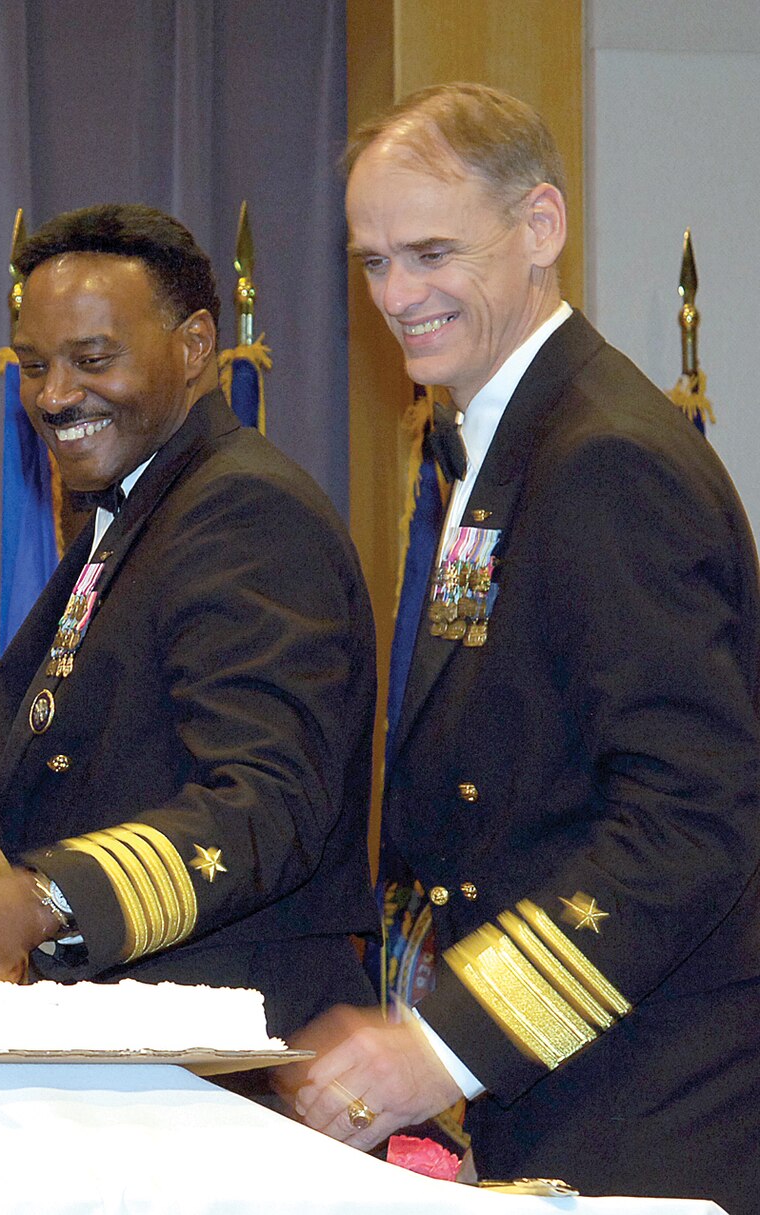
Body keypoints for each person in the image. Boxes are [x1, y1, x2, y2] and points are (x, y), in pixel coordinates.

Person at [283, 84, 760, 1209]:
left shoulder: (602, 459)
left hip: (648, 1095)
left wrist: (440, 1044)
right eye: (371, 262)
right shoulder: (500, 443)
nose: (397, 295)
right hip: (554, 1072)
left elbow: (689, 818)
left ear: (538, 228)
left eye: (430, 252)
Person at [0, 205, 377, 1045]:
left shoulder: (242, 508)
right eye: (33, 365)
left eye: (93, 360)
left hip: (243, 1056)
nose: (56, 396)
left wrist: (40, 899)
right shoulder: (133, 513)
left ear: (198, 344)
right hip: (147, 1041)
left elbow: (268, 801)